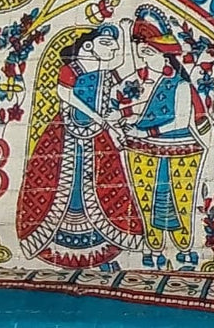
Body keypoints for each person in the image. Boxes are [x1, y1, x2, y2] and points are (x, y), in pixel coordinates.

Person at [16, 22, 145, 267]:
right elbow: (66, 95)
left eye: (113, 45)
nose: (112, 49)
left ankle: (100, 244)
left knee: (102, 185)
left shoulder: (104, 72)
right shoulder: (71, 69)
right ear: (88, 46)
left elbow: (126, 66)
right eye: (106, 43)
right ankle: (54, 241)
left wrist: (126, 33)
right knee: (60, 182)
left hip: (96, 137)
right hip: (66, 135)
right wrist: (98, 118)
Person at [124, 16, 207, 253]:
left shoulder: (181, 85)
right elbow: (148, 110)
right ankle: (154, 241)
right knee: (149, 196)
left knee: (177, 196)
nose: (143, 59)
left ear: (165, 56)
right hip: (148, 148)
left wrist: (145, 131)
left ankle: (182, 244)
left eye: (148, 53)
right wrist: (129, 119)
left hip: (178, 148)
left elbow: (180, 121)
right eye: (142, 53)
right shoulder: (156, 81)